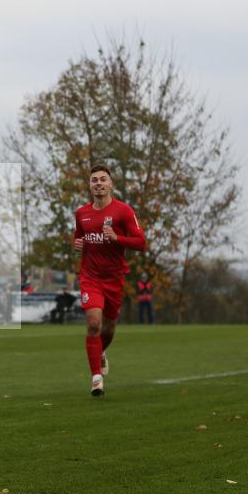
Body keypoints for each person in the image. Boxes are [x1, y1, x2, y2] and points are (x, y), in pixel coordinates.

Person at [73, 165, 146, 397]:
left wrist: (117, 238)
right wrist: (77, 245)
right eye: (94, 180)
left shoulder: (123, 211)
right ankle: (96, 380)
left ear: (111, 184)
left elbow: (141, 242)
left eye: (103, 179)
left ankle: (101, 352)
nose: (99, 183)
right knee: (94, 324)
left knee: (109, 327)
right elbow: (79, 238)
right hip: (90, 277)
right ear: (90, 185)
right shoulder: (81, 213)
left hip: (114, 278)